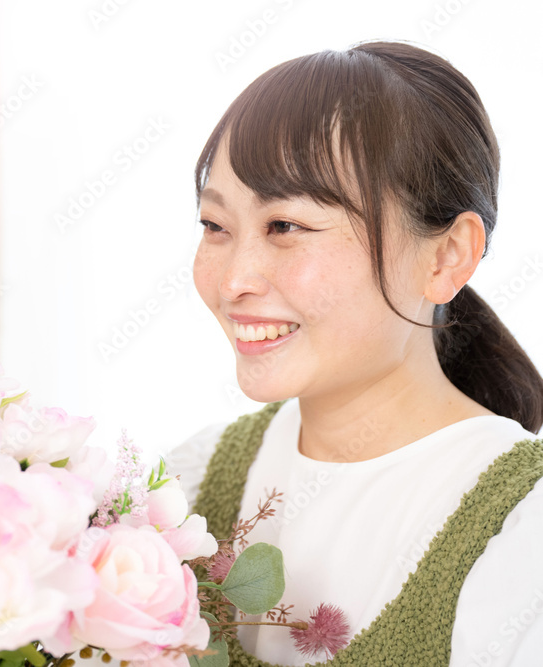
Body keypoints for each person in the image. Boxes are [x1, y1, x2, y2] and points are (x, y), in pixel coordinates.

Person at [161, 40, 543, 666]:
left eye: (286, 226)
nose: (234, 282)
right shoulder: (189, 482)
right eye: (215, 225)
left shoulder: (521, 533)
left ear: (447, 255)